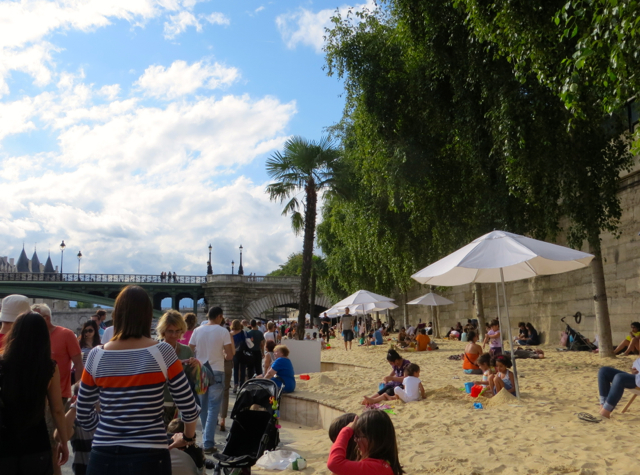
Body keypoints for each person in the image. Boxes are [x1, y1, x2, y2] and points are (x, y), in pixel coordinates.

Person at [76, 286, 200, 474]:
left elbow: (83, 412)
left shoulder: (96, 355)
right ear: (148, 316)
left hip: (104, 455)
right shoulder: (164, 353)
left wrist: (107, 427)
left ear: (117, 315)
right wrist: (187, 438)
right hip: (150, 454)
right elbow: (189, 409)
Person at [0, 311, 69, 475]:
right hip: (36, 444)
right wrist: (64, 442)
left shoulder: (2, 364)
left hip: (4, 443)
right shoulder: (48, 367)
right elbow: (57, 410)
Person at [189, 306, 234, 454]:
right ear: (220, 316)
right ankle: (208, 442)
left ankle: (205, 439)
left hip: (201, 370)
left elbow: (190, 349)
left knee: (202, 405)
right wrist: (223, 355)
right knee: (214, 407)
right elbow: (230, 355)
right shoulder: (223, 331)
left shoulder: (197, 330)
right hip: (217, 370)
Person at [327, 410, 403, 475]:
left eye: (358, 436)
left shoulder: (376, 468)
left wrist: (346, 431)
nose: (355, 440)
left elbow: (333, 463)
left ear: (374, 438)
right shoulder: (380, 465)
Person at [157, 310, 196, 428]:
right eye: (170, 331)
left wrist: (195, 366)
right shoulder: (155, 350)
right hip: (158, 404)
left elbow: (192, 379)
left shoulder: (186, 351)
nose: (174, 335)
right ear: (163, 331)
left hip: (178, 407)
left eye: (177, 331)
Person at [230, 319, 251, 393]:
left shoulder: (231, 334)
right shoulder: (244, 332)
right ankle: (242, 384)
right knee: (243, 369)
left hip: (235, 353)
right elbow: (250, 341)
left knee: (235, 369)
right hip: (243, 352)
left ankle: (235, 384)